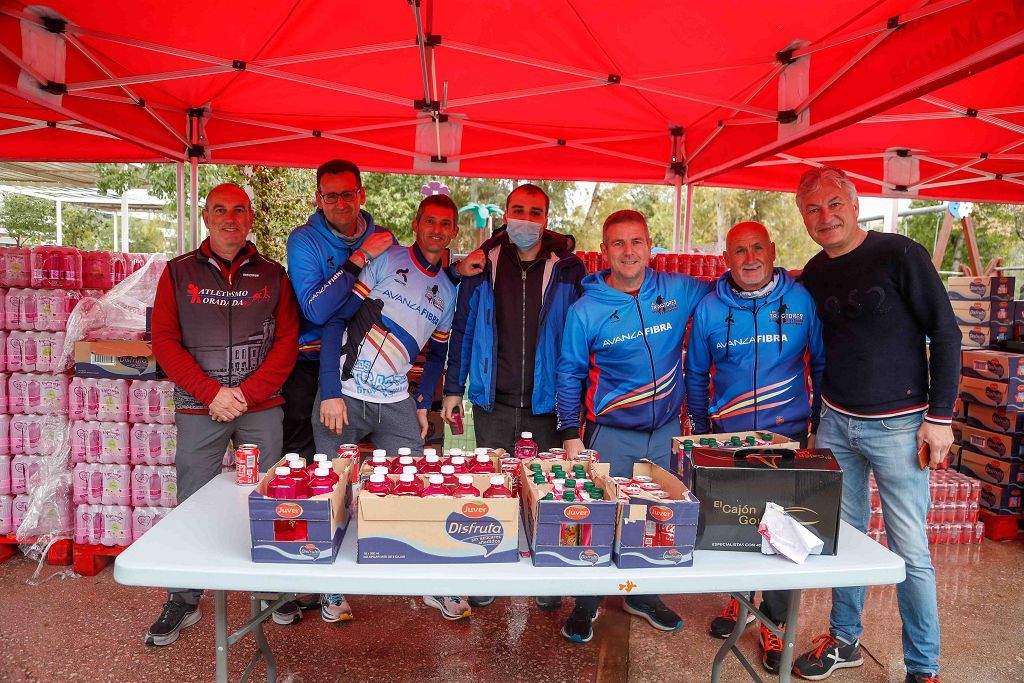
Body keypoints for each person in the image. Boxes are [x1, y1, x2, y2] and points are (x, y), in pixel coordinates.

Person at [790, 166, 958, 683]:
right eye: (814, 209)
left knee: (911, 550)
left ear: (855, 201)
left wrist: (940, 417)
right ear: (804, 219)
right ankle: (844, 640)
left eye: (834, 203)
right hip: (839, 422)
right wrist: (820, 423)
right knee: (844, 538)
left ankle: (924, 667)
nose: (826, 216)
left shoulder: (899, 253)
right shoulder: (814, 272)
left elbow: (946, 334)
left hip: (902, 427)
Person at [146, 183, 299, 646]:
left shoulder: (274, 275)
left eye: (238, 210)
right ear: (206, 217)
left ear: (250, 217)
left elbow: (287, 342)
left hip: (259, 407)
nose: (229, 218)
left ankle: (274, 590)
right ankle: (184, 596)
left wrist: (246, 394)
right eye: (219, 210)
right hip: (200, 406)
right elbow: (164, 341)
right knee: (192, 499)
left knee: (267, 495)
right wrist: (212, 392)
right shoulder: (177, 273)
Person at [555, 210, 713, 643]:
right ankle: (586, 603)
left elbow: (728, 292)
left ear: (649, 246)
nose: (628, 252)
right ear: (605, 251)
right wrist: (570, 432)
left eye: (637, 242)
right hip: (610, 432)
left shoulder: (678, 289)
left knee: (655, 517)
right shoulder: (585, 310)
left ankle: (642, 595)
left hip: (663, 433)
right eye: (618, 243)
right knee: (599, 517)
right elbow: (568, 372)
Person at [318, 194, 469, 621]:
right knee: (331, 489)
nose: (437, 230)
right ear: (416, 222)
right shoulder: (387, 259)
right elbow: (335, 320)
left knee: (418, 486)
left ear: (454, 231)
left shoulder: (449, 291)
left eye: (446, 224)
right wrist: (330, 389)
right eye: (430, 221)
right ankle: (329, 589)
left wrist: (423, 402)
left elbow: (438, 352)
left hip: (395, 398)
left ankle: (431, 584)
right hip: (344, 395)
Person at [684, 220, 825, 675]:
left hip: (789, 436)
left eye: (757, 248)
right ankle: (737, 600)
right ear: (726, 259)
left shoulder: (801, 300)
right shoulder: (708, 309)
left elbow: (820, 363)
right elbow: (695, 376)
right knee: (734, 527)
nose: (749, 258)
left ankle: (776, 621)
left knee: (783, 535)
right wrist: (702, 435)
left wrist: (818, 424)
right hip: (729, 439)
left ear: (772, 251)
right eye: (739, 250)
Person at [440, 183, 587, 611]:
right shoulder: (482, 264)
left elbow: (579, 338)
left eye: (535, 212)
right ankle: (491, 571)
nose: (526, 219)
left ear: (547, 218)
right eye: (518, 210)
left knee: (549, 491)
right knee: (494, 490)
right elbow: (463, 329)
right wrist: (453, 388)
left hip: (547, 405)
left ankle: (547, 575)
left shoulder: (568, 268)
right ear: (505, 213)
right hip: (494, 401)